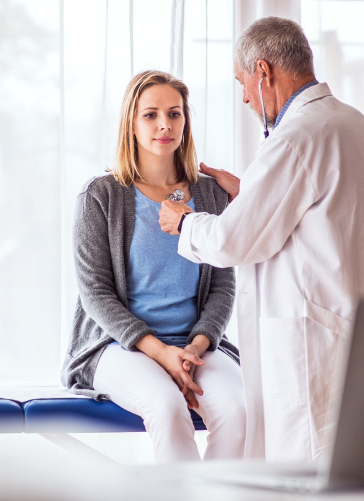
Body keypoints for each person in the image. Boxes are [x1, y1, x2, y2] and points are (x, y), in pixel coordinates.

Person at [159, 17, 364, 463]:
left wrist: (183, 222)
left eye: (243, 83)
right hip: (355, 334)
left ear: (263, 72)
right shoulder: (351, 123)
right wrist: (251, 193)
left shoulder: (297, 137)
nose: (245, 97)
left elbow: (231, 241)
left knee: (304, 475)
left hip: (312, 347)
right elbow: (321, 212)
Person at [61, 70, 247, 463]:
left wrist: (195, 347)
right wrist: (161, 352)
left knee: (237, 412)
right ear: (131, 123)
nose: (165, 124)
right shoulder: (101, 195)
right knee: (167, 409)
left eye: (175, 114)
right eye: (151, 115)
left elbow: (222, 287)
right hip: (119, 346)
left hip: (196, 345)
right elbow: (95, 294)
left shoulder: (211, 193)